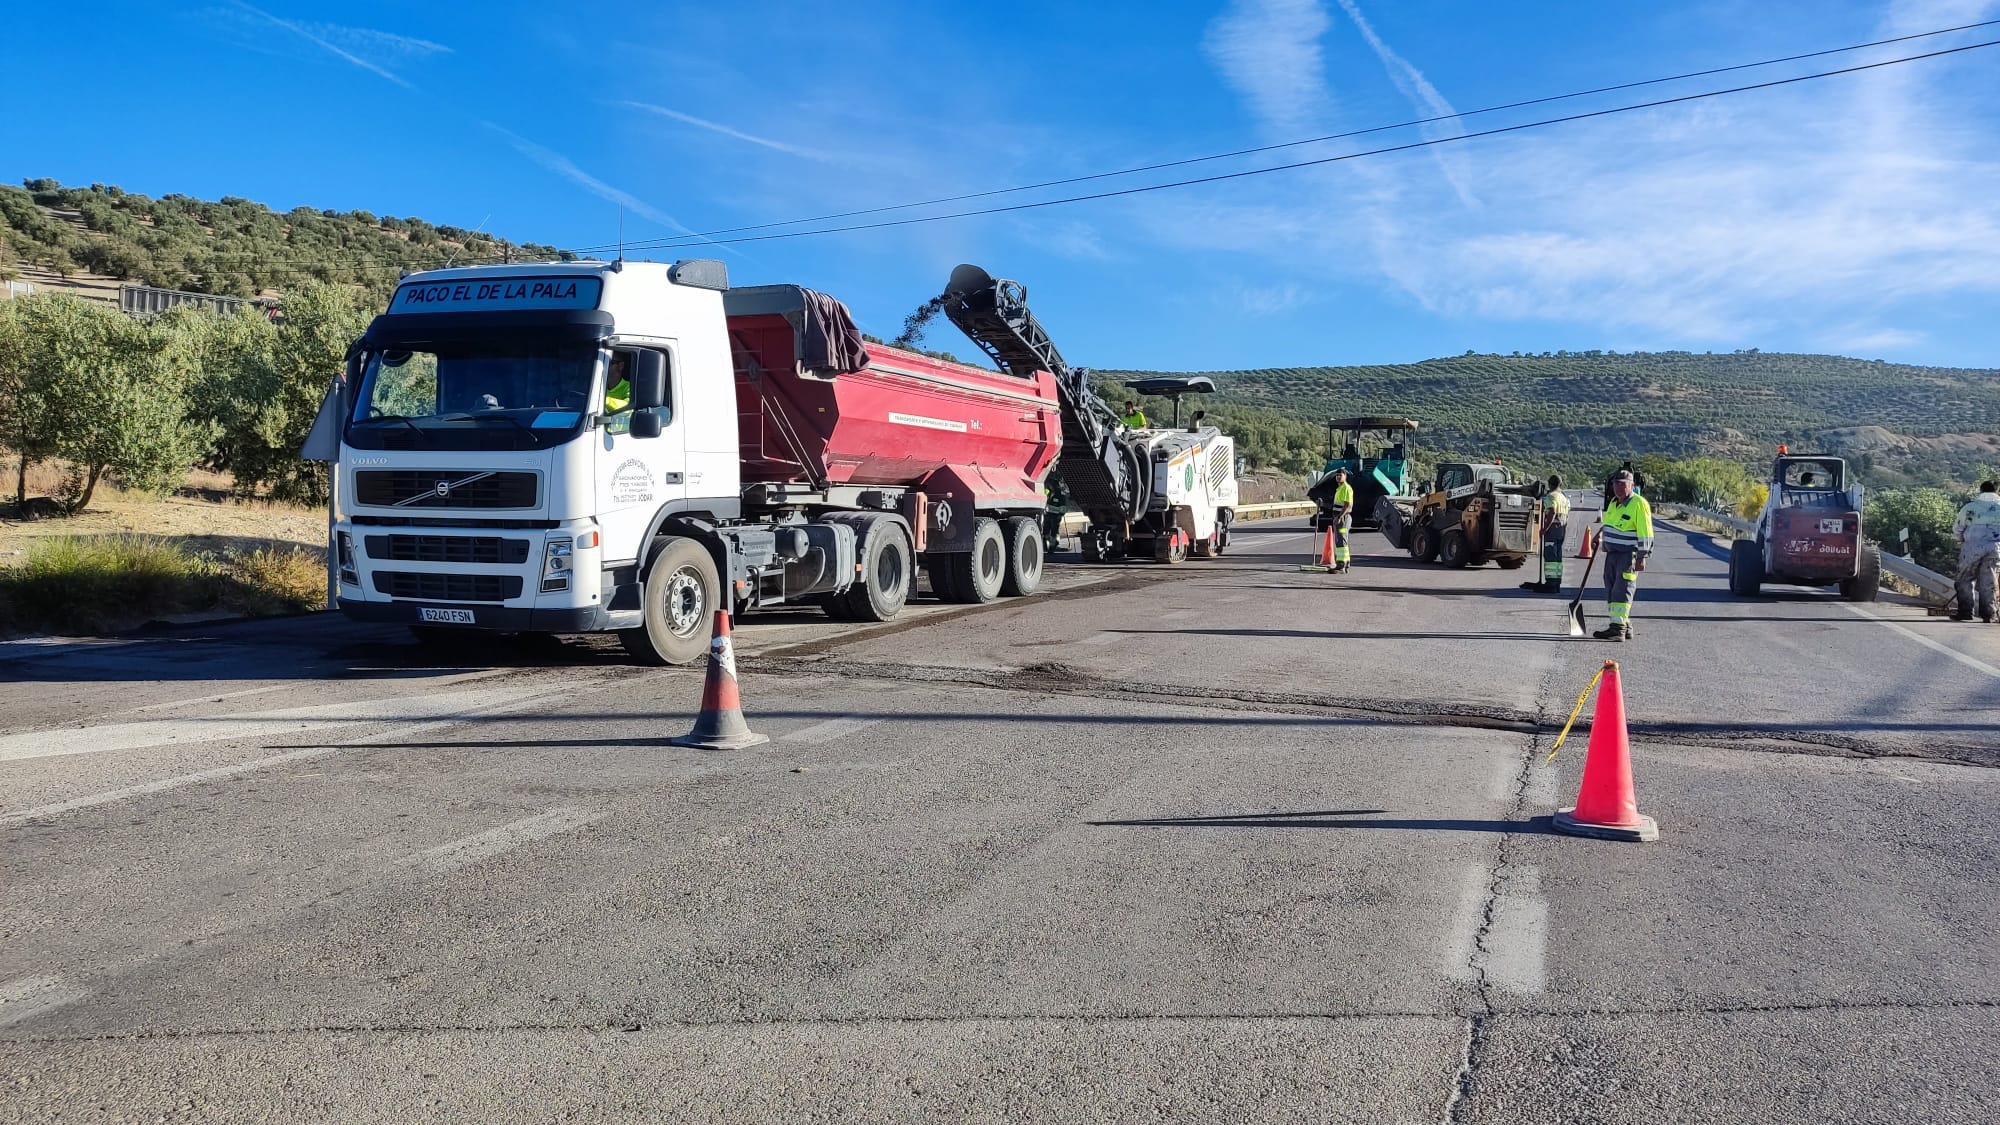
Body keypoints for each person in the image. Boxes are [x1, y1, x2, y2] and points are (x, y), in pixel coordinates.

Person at [1593, 469, 1653, 641]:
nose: (1618, 487)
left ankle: (1617, 629)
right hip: (1612, 553)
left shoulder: (1638, 504)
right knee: (1612, 589)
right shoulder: (1614, 502)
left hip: (1628, 555)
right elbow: (1609, 524)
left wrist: (1642, 556)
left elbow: (1646, 532)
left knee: (1622, 589)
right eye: (1615, 483)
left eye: (1622, 484)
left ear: (1632, 485)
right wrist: (1599, 534)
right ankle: (1623, 626)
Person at [1951, 479, 2000, 623]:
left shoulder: (1970, 507)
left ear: (1981, 490)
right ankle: (1989, 614)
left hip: (1972, 547)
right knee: (1989, 581)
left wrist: (1960, 539)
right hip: (1995, 548)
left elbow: (1958, 528)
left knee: (1965, 578)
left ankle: (1965, 612)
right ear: (1996, 491)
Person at [1523, 474, 1570, 593]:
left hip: (1552, 529)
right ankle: (1557, 583)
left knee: (1550, 557)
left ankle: (1551, 584)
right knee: (1557, 557)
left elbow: (1552, 512)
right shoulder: (1563, 497)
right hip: (1561, 530)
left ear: (1550, 484)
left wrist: (1544, 528)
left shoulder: (1551, 496)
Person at [1309, 468, 1355, 573]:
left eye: (1340, 475)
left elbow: (1347, 505)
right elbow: (1335, 505)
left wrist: (1339, 517)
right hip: (1340, 518)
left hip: (1343, 519)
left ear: (1345, 476)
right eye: (1337, 475)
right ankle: (1346, 563)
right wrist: (1323, 504)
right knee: (1342, 540)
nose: (1338, 477)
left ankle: (1341, 565)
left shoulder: (1346, 488)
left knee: (1340, 540)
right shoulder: (1339, 489)